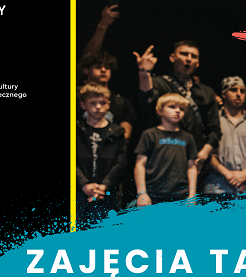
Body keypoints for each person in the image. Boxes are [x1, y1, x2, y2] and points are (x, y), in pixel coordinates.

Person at [135, 41, 220, 174]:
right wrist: (144, 72)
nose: (188, 59)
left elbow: (214, 129)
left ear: (197, 63)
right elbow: (147, 101)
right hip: (163, 159)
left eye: (193, 56)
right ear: (172, 57)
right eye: (184, 54)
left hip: (196, 160)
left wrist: (203, 154)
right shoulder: (160, 83)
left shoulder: (206, 92)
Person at [204, 76, 246, 195]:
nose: (239, 94)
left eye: (242, 91)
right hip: (218, 187)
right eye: (233, 90)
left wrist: (243, 174)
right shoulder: (213, 123)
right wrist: (228, 174)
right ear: (223, 94)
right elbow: (207, 153)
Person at [134, 94, 198, 206]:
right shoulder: (150, 134)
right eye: (172, 107)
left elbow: (192, 167)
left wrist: (192, 195)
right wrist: (142, 193)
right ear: (159, 111)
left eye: (181, 109)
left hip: (181, 196)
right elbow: (140, 164)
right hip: (153, 194)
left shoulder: (188, 137)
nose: (177, 111)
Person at [76, 84, 127, 223]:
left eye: (102, 103)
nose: (98, 107)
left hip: (108, 192)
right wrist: (84, 184)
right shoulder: (75, 130)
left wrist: (104, 185)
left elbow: (121, 163)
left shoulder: (117, 132)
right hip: (78, 191)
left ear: (108, 105)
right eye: (93, 103)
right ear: (83, 105)